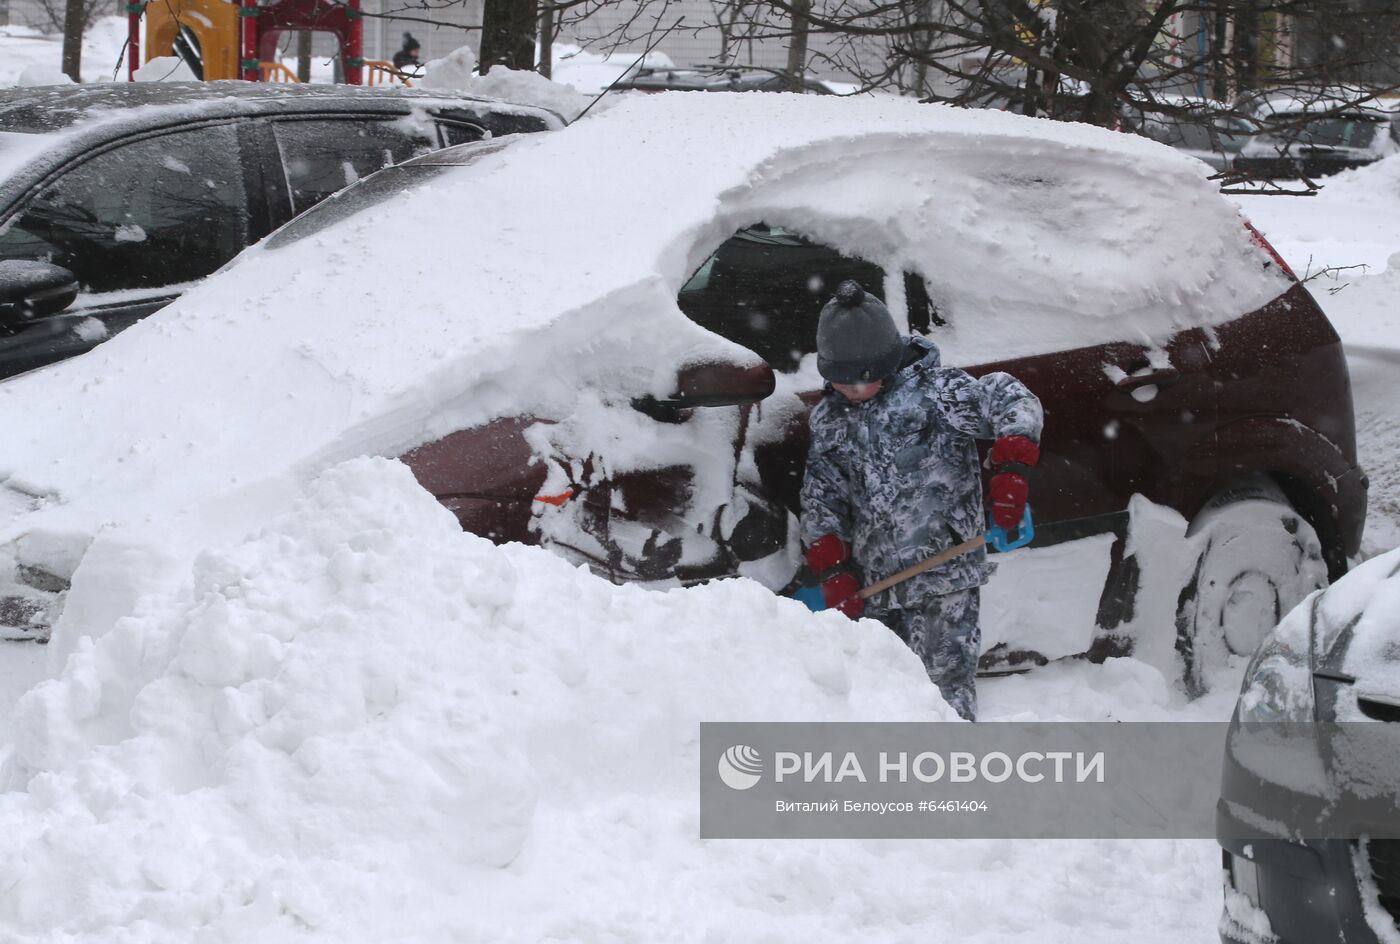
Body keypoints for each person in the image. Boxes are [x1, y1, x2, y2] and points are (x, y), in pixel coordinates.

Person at [800, 280, 1043, 722]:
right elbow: (823, 495)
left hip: (944, 579)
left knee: (944, 692)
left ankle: (951, 775)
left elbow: (1011, 398)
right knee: (884, 698)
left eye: (863, 380)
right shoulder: (829, 419)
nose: (851, 391)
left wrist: (1011, 468)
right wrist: (833, 568)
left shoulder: (938, 393)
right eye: (841, 381)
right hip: (876, 585)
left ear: (887, 363)